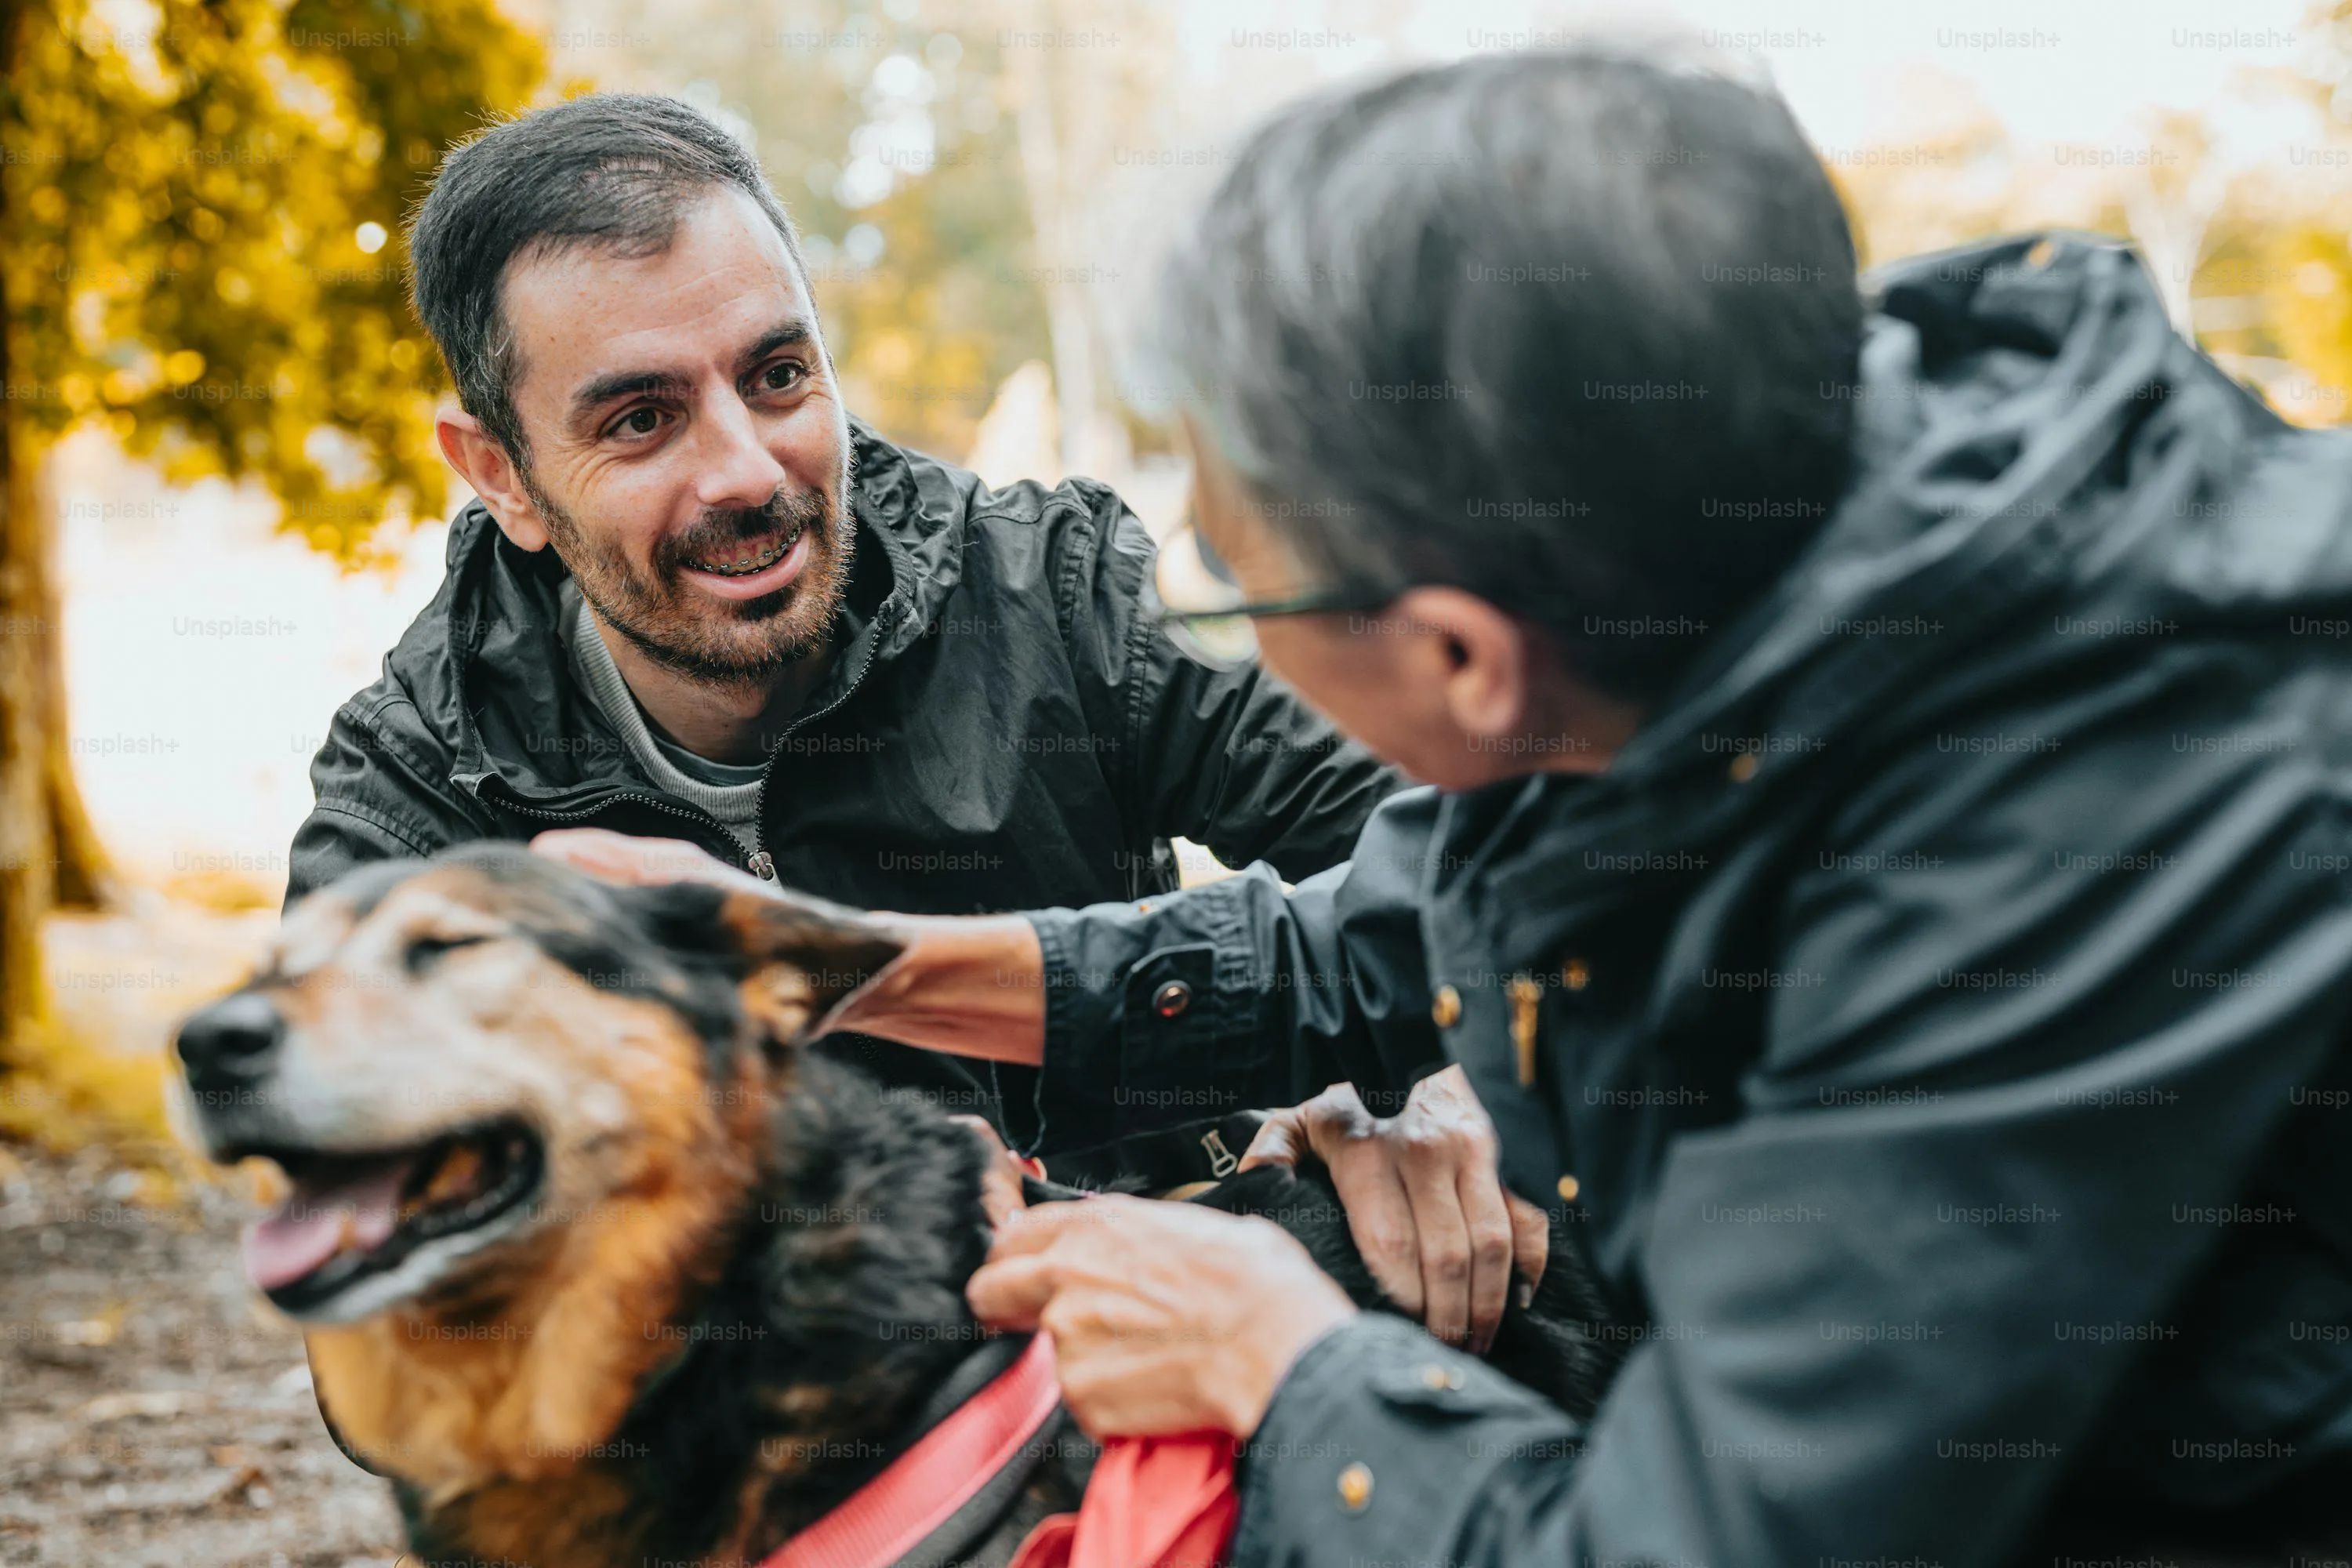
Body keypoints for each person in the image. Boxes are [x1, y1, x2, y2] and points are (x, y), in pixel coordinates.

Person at [565, 42, 2352, 1566]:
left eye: (1227, 581)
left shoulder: (2041, 856)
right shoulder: (1725, 553)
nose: (1208, 604)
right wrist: (825, 958)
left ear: (1462, 656)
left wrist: (1280, 1358)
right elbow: (1357, 946)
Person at [285, 93, 1411, 1174]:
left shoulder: (1060, 593)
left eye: (777, 376)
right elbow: (379, 1259)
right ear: (502, 477)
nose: (745, 470)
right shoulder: (425, 792)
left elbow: (1473, 851)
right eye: (640, 420)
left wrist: (1394, 1073)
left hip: (1199, 1305)